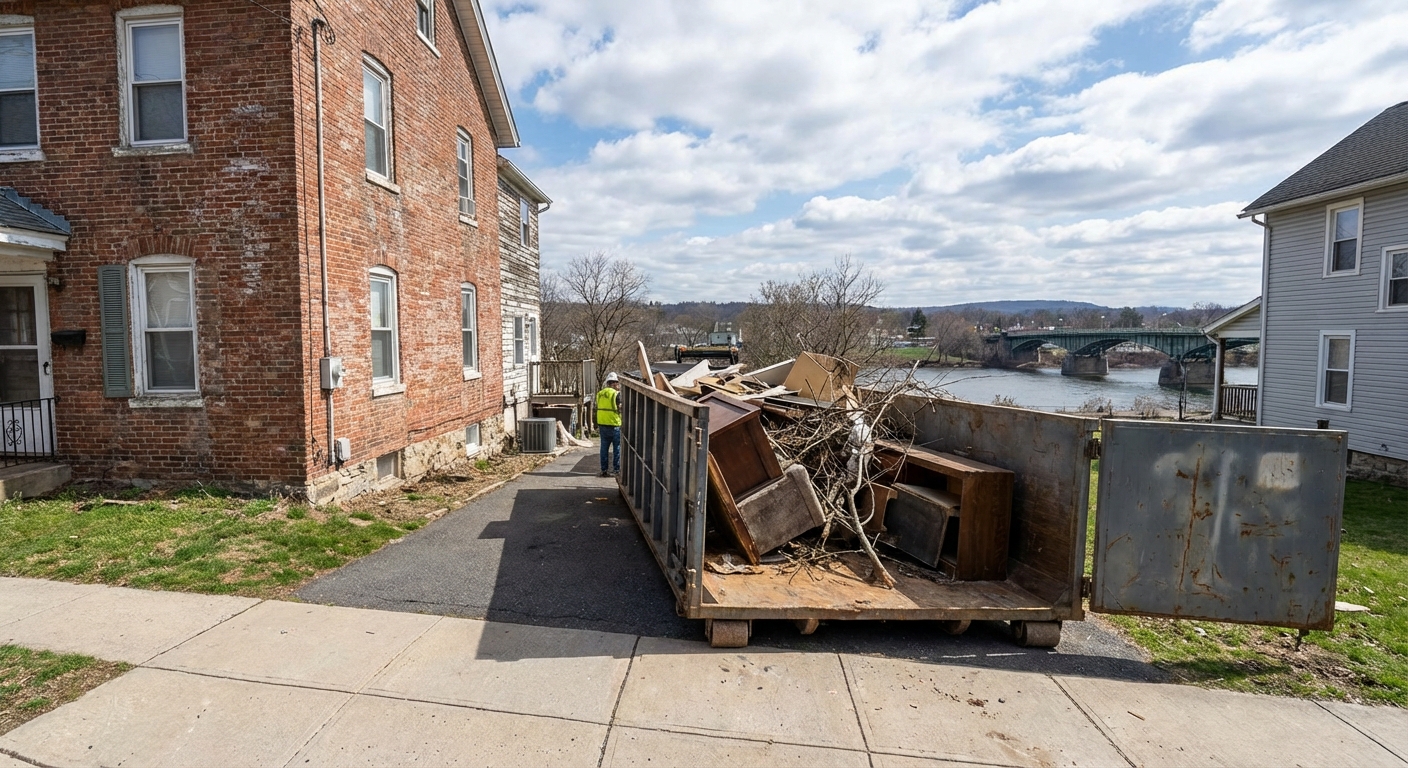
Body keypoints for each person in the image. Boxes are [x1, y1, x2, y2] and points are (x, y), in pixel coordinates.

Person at [596, 373, 622, 477]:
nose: (618, 386)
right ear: (614, 383)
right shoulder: (616, 394)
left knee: (604, 448)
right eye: (617, 383)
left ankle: (604, 470)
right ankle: (616, 470)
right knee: (617, 448)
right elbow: (620, 407)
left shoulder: (600, 394)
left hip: (602, 425)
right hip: (614, 425)